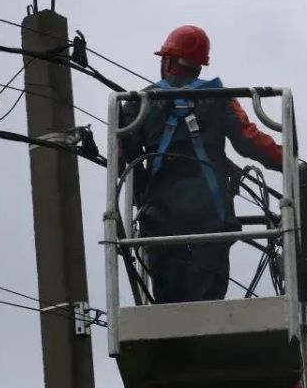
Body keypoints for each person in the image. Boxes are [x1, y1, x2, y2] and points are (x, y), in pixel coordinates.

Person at [119, 25, 283, 304]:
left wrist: (142, 198)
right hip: (211, 216)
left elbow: (127, 158)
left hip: (160, 217)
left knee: (168, 305)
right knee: (210, 300)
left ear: (168, 60)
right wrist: (288, 160)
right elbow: (249, 141)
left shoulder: (139, 103)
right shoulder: (219, 98)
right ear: (198, 66)